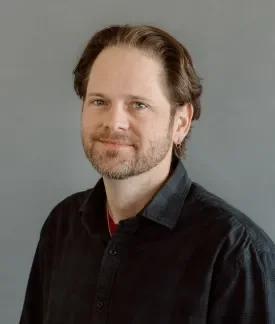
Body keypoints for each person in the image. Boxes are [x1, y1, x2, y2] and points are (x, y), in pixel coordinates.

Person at [19, 24, 275, 324]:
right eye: (99, 101)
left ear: (180, 122)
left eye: (138, 104)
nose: (114, 123)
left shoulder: (237, 254)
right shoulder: (62, 226)